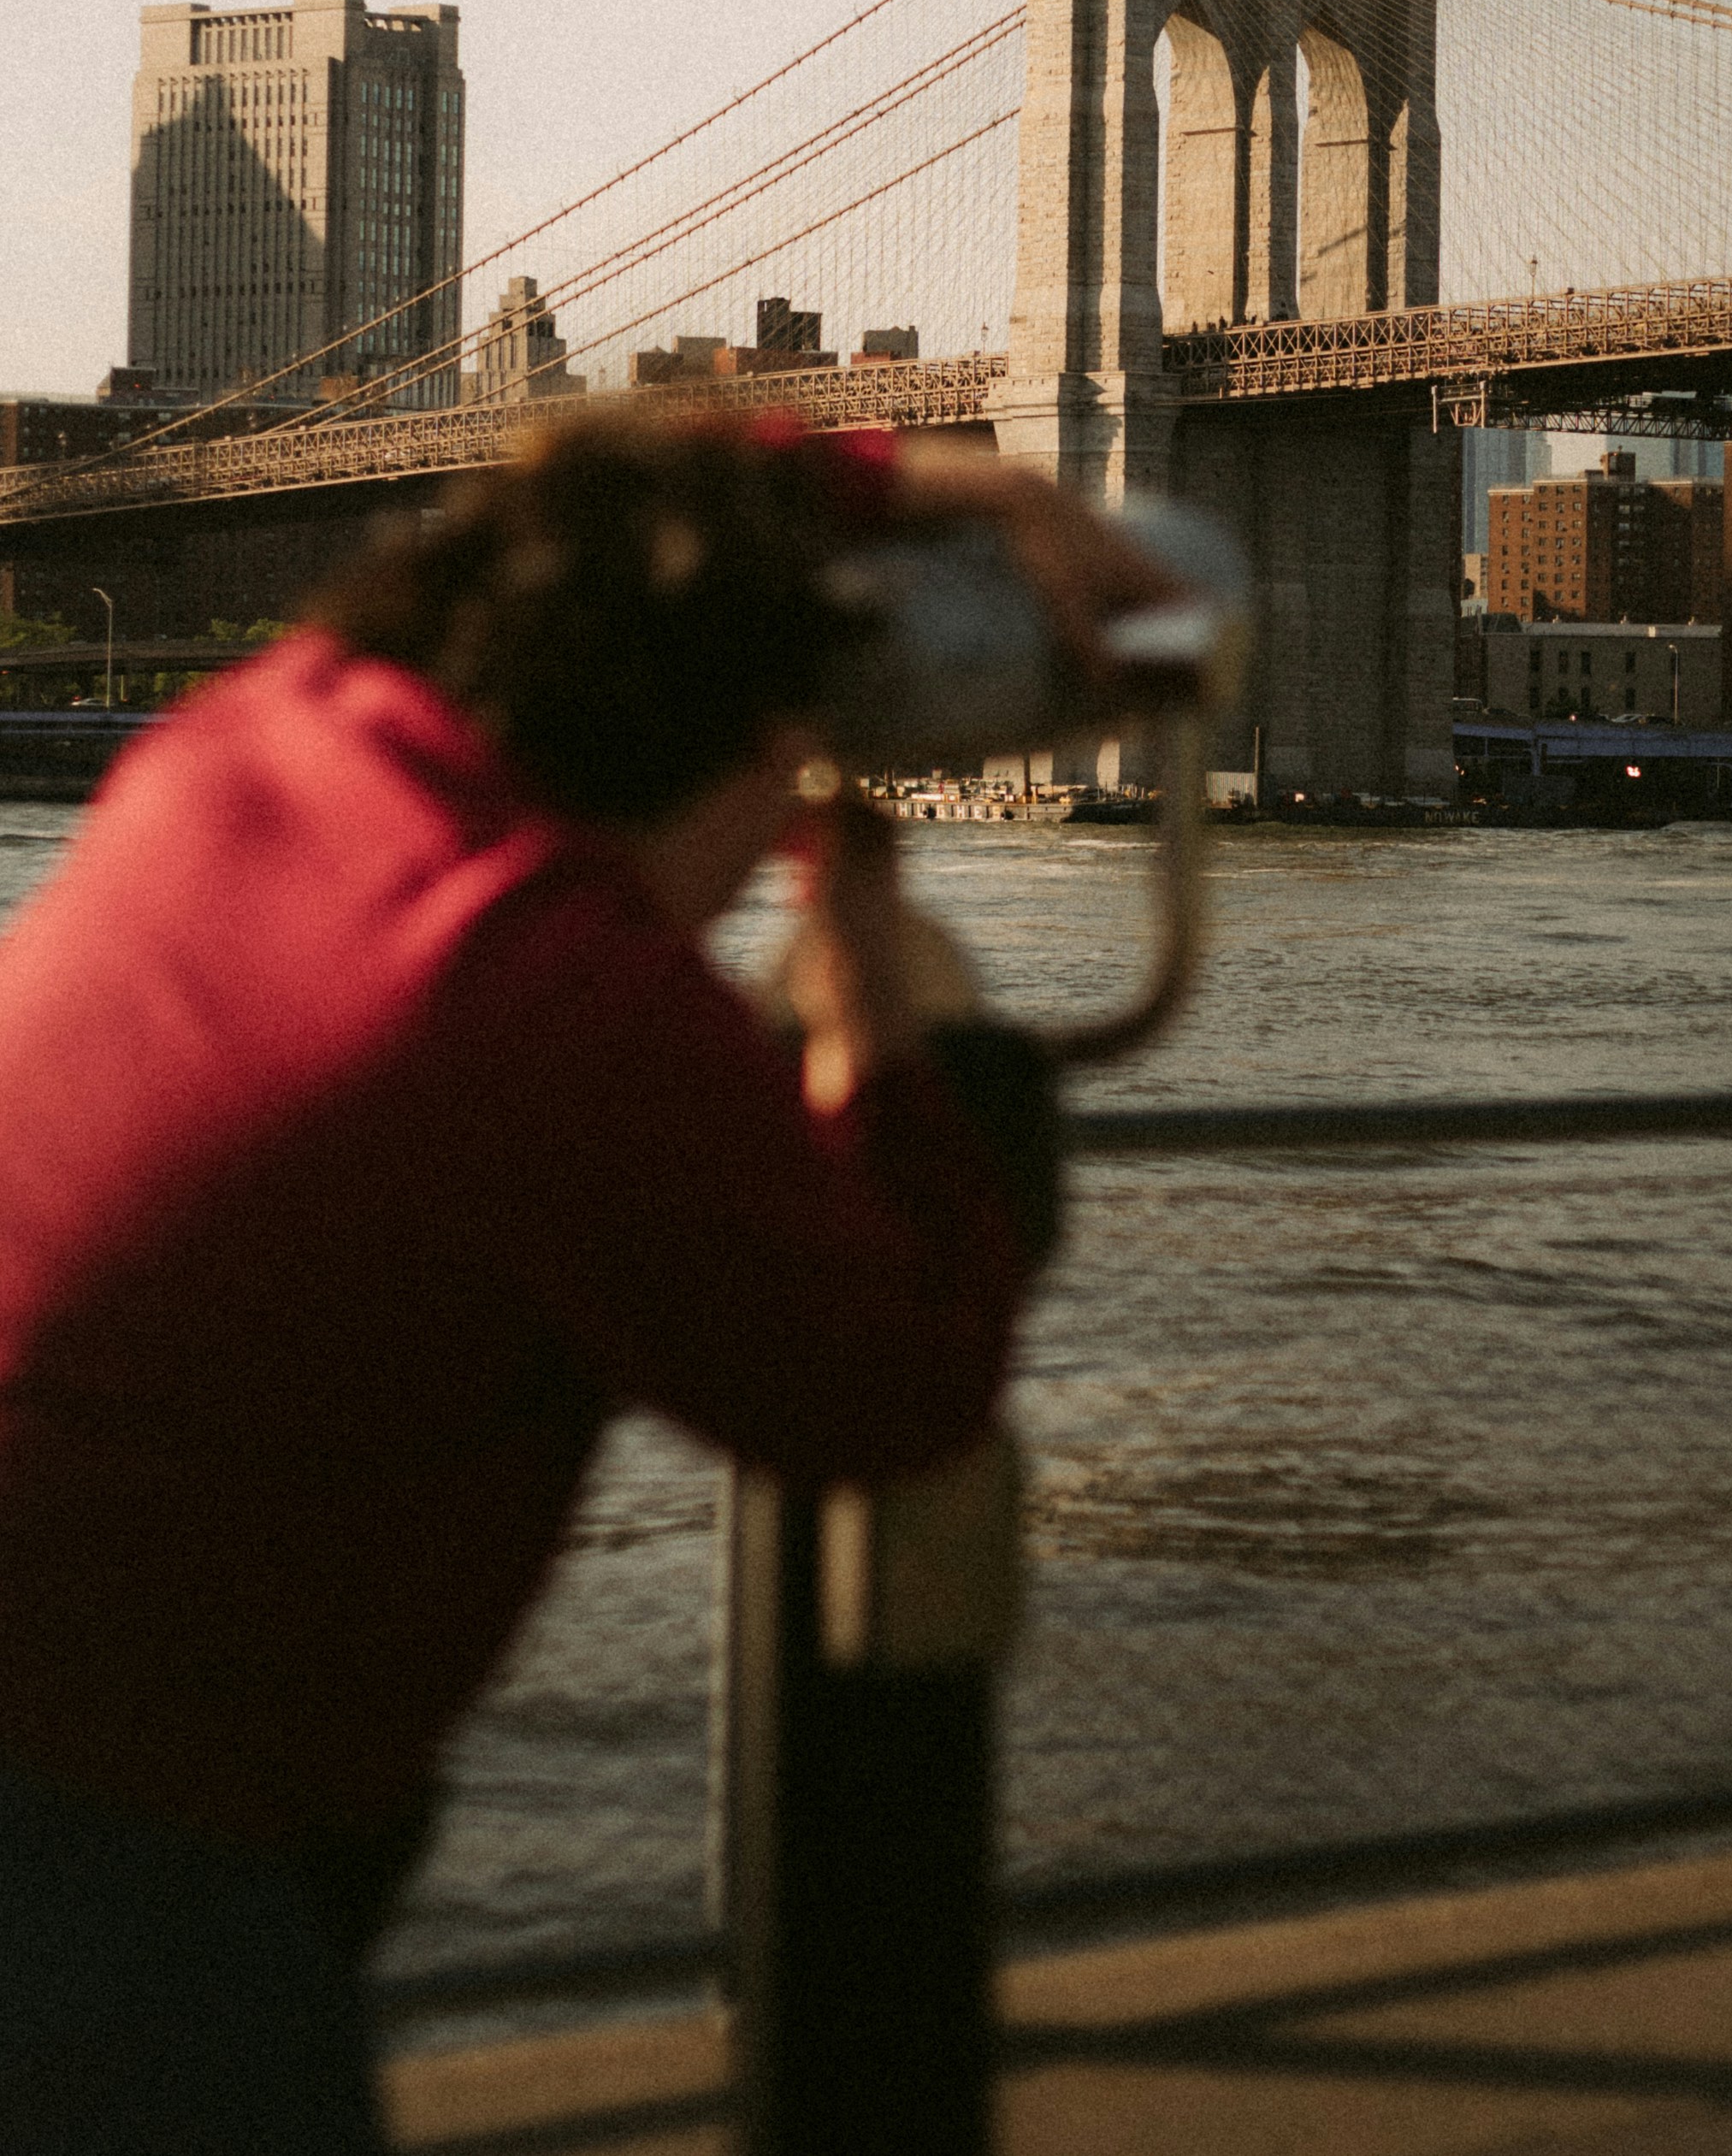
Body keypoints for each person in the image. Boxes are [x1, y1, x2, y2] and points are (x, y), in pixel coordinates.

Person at [0, 407, 1170, 2151]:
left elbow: (557, 496)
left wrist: (961, 484)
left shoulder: (271, 729)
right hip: (102, 1864)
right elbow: (891, 1390)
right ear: (762, 741)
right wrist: (899, 1043)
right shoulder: (546, 997)